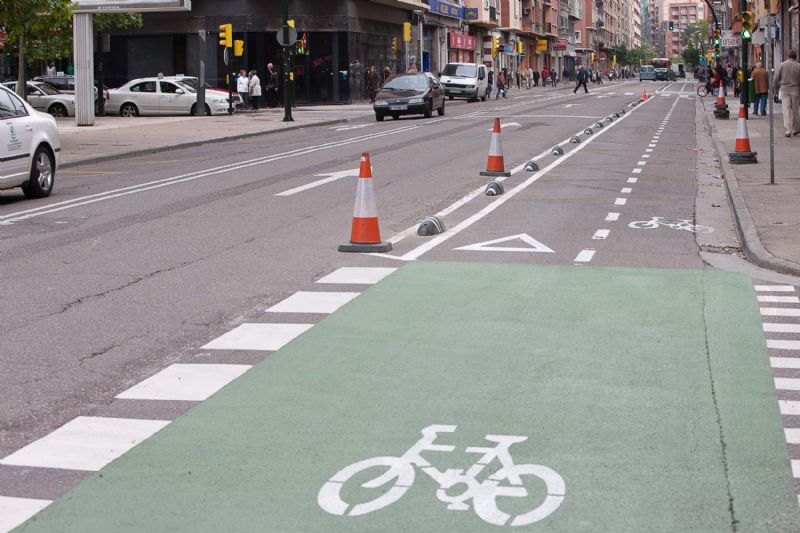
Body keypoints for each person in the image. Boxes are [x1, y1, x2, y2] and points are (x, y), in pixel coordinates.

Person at [774, 50, 800, 137]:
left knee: (786, 109)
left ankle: (788, 130)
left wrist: (775, 90)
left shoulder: (782, 65)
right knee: (796, 110)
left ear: (788, 56)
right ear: (795, 57)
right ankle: (796, 129)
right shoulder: (798, 66)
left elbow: (776, 78)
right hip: (796, 89)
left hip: (785, 89)